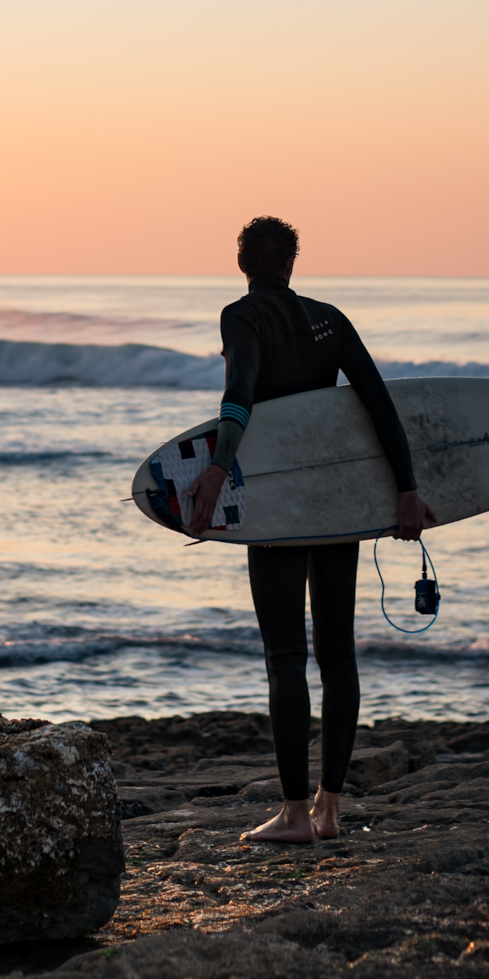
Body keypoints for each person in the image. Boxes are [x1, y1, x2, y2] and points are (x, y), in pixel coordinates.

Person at [187, 216, 434, 844]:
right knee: (337, 652)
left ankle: (295, 814)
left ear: (241, 263)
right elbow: (379, 403)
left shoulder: (242, 317)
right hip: (334, 504)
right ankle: (331, 808)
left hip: (276, 504)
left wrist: (218, 467)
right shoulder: (330, 318)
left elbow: (238, 396)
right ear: (293, 262)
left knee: (285, 658)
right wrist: (406, 491)